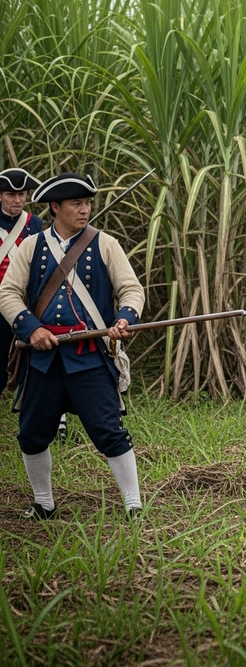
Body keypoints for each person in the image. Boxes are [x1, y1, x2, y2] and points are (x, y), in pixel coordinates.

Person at [0, 172, 146, 519]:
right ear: (55, 207)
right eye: (76, 204)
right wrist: (31, 328)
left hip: (90, 357)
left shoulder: (106, 243)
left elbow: (131, 289)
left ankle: (133, 505)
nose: (85, 210)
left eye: (87, 203)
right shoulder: (31, 247)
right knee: (33, 434)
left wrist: (126, 318)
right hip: (43, 361)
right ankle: (44, 503)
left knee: (109, 431)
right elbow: (7, 292)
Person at [0, 169, 43, 396]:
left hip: (26, 303)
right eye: (10, 194)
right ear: (0, 196)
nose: (17, 200)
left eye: (23, 194)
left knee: (31, 360)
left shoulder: (35, 224)